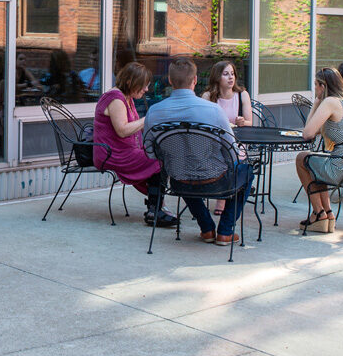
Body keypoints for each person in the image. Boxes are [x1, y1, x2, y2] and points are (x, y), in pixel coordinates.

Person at [143, 58, 253, 246]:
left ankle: (207, 227)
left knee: (183, 167)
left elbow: (150, 152)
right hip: (216, 180)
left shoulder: (154, 111)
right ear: (194, 80)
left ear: (170, 80)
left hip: (178, 181)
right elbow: (232, 152)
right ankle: (225, 230)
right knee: (247, 172)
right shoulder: (214, 110)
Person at [92, 62, 176, 227]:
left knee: (161, 152)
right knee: (157, 159)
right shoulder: (115, 99)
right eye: (143, 86)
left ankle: (157, 207)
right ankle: (156, 209)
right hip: (111, 153)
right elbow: (122, 131)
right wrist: (149, 118)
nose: (146, 90)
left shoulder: (126, 97)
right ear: (130, 83)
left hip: (124, 150)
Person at [294, 68, 343, 233]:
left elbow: (307, 133)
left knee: (302, 159)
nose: (315, 89)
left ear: (323, 85)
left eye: (316, 85)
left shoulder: (330, 102)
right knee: (315, 160)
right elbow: (318, 130)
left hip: (342, 166)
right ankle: (328, 214)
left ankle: (319, 212)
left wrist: (315, 104)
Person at [200, 60, 252, 216]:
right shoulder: (208, 96)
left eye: (232, 74)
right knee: (219, 155)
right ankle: (225, 191)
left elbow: (250, 123)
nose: (231, 78)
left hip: (236, 141)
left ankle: (222, 197)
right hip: (213, 142)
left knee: (231, 156)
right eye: (226, 74)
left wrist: (243, 122)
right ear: (217, 77)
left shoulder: (242, 94)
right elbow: (201, 122)